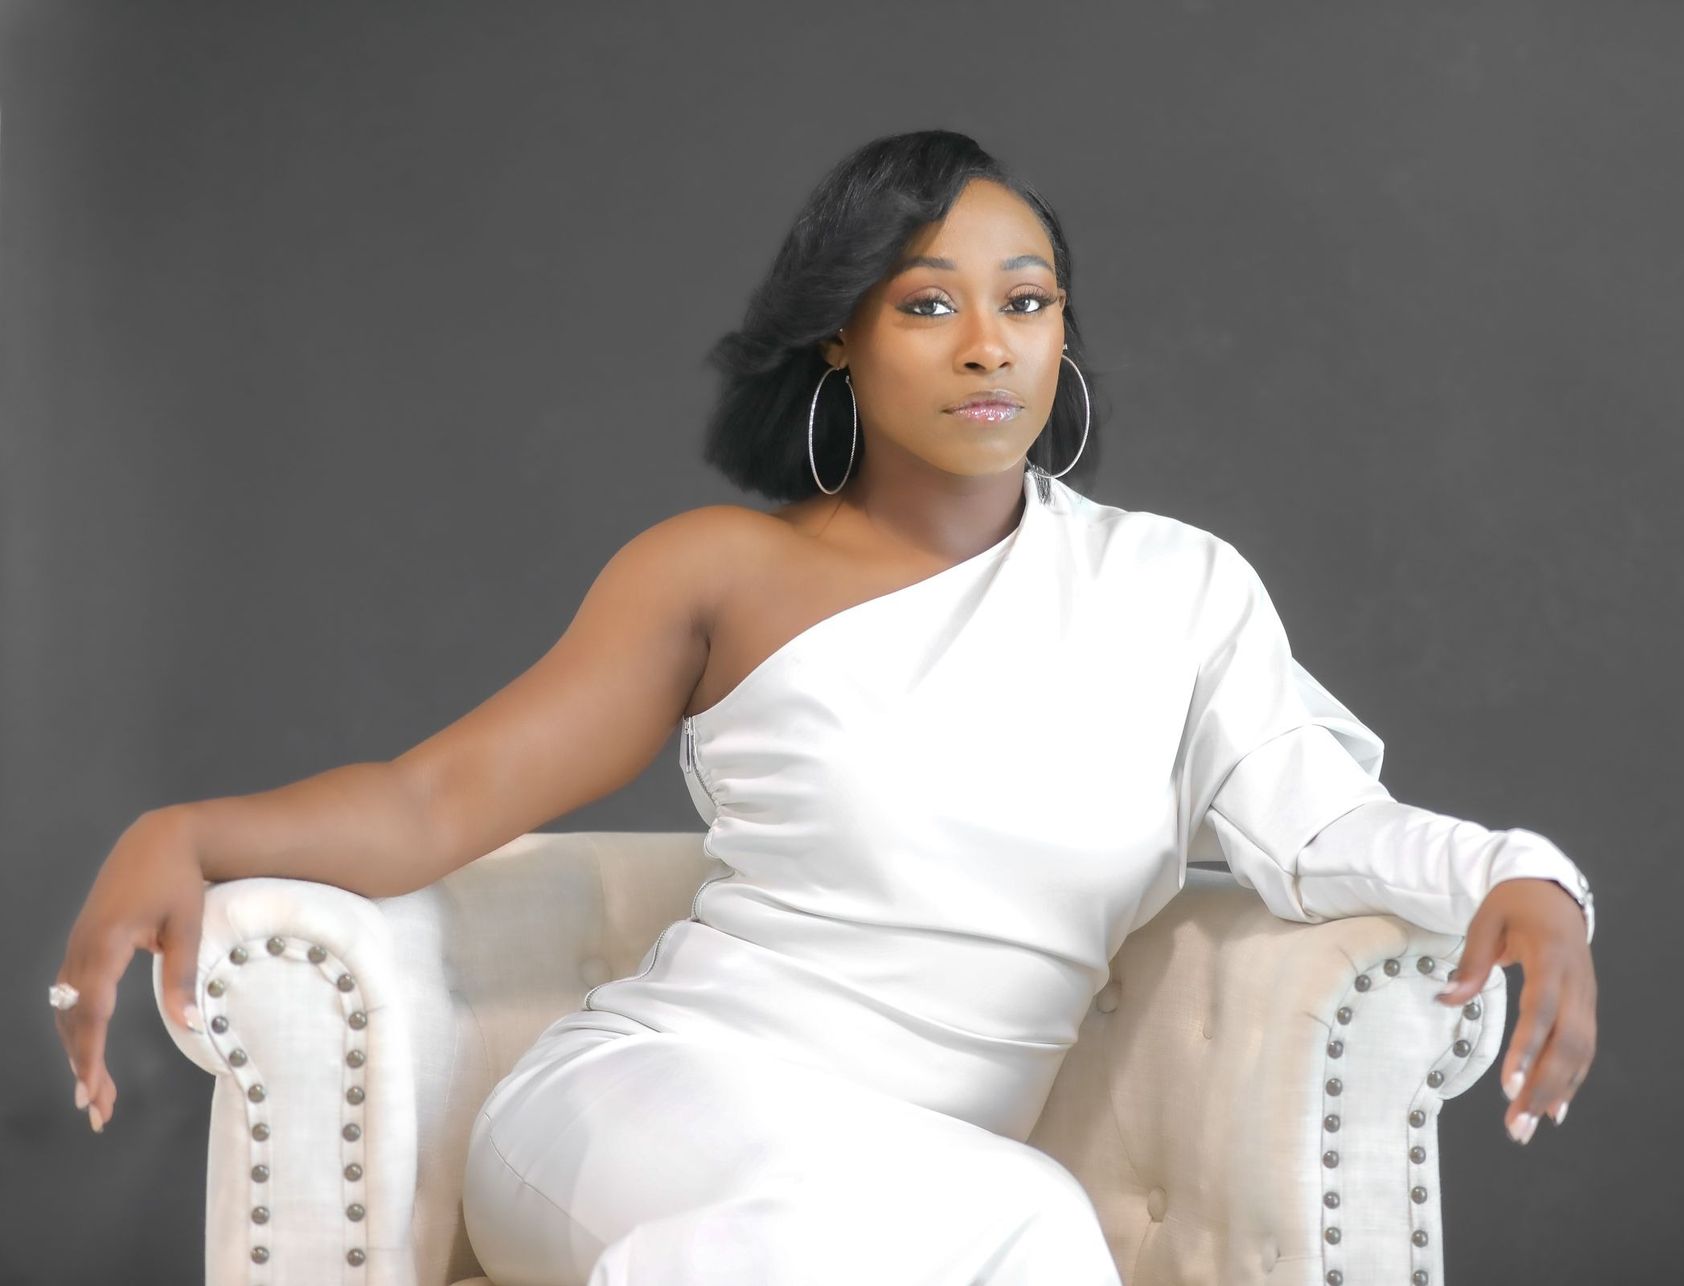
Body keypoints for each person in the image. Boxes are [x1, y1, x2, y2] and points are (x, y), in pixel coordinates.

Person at [51, 129, 1598, 1285]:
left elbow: (1319, 820)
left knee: (967, 1226)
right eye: (929, 307)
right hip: (643, 1110)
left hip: (895, 1208)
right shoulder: (722, 568)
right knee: (1028, 1223)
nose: (991, 343)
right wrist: (184, 831)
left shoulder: (1173, 590)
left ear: (1066, 332)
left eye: (1029, 299)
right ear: (843, 337)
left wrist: (1520, 875)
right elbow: (439, 803)